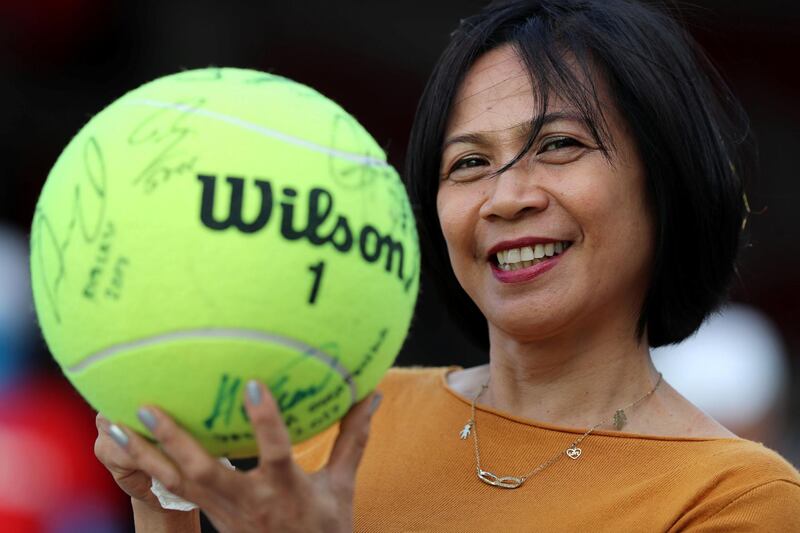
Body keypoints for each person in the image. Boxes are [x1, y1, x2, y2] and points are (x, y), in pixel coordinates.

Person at [93, 0, 800, 531]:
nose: (507, 196)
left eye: (557, 144)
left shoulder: (738, 497)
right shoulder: (348, 423)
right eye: (468, 163)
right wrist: (165, 501)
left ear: (664, 179)